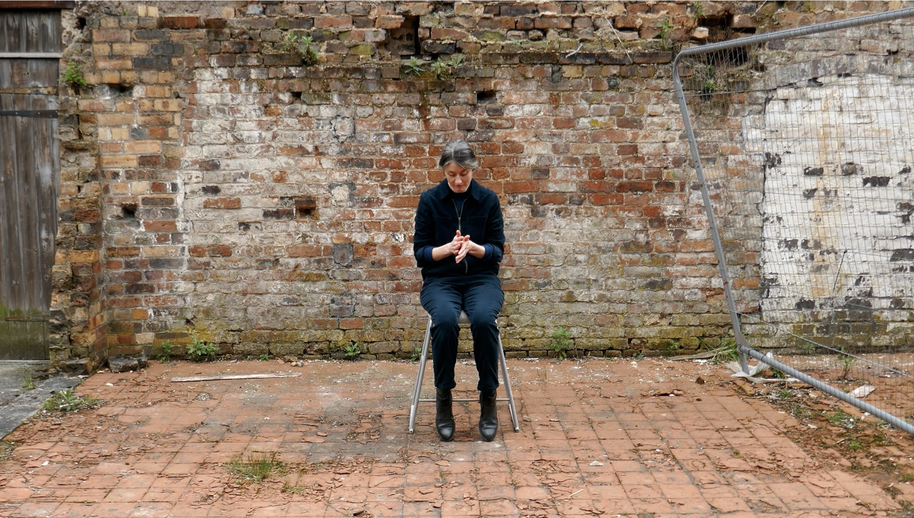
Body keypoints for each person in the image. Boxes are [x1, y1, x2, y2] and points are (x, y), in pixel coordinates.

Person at [413, 140, 505, 442]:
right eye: (451, 173)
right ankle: (443, 399)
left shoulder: (488, 200)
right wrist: (446, 249)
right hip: (441, 281)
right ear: (443, 171)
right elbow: (420, 253)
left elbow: (497, 251)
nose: (457, 180)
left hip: (482, 280)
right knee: (446, 321)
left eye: (463, 173)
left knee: (482, 320)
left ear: (473, 170)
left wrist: (476, 248)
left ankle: (488, 398)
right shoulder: (429, 201)